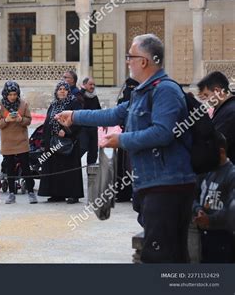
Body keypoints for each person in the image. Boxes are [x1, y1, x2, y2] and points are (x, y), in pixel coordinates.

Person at [55, 34, 196, 263]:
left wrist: (121, 140)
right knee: (168, 254)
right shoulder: (142, 91)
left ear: (144, 61)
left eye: (131, 56)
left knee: (160, 256)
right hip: (151, 183)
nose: (127, 61)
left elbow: (163, 133)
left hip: (168, 185)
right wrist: (74, 115)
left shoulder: (165, 90)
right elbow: (112, 114)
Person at [38, 81, 84, 204]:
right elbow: (47, 123)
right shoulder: (53, 105)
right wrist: (44, 141)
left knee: (69, 168)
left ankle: (73, 195)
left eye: (65, 89)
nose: (62, 91)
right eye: (60, 89)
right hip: (54, 142)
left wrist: (66, 130)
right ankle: (57, 194)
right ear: (56, 92)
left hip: (69, 142)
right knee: (55, 167)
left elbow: (79, 120)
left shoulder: (74, 103)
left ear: (69, 91)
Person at [193, 132, 235, 263]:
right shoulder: (206, 171)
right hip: (205, 235)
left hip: (223, 236)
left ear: (221, 152)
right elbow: (194, 195)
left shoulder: (231, 174)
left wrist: (210, 220)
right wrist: (198, 209)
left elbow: (231, 208)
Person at [0, 81, 37, 204]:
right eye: (10, 94)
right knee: (10, 168)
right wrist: (6, 120)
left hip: (22, 141)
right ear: (5, 94)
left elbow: (29, 120)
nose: (12, 97)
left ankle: (31, 192)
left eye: (15, 94)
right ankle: (11, 193)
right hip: (7, 142)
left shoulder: (23, 104)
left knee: (26, 168)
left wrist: (20, 119)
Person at [197, 71, 235, 162]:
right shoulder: (225, 109)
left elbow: (214, 145)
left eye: (206, 95)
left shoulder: (229, 113)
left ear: (217, 91)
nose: (205, 100)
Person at [115, 77, 139, 202]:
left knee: (130, 165)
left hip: (133, 136)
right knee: (125, 165)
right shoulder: (125, 100)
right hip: (127, 136)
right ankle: (125, 192)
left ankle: (129, 192)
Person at [79, 77, 101, 165]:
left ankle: (91, 174)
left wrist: (104, 123)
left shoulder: (94, 97)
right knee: (82, 148)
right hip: (82, 128)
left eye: (93, 84)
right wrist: (82, 91)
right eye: (90, 84)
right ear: (84, 85)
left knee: (93, 151)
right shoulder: (80, 95)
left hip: (93, 127)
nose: (92, 86)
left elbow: (99, 110)